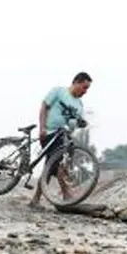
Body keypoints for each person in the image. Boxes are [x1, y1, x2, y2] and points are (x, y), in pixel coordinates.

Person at [29, 72, 91, 208]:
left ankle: (36, 199)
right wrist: (42, 128)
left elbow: (73, 123)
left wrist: (81, 123)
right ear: (76, 82)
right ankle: (66, 195)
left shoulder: (79, 104)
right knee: (56, 166)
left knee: (51, 167)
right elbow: (44, 107)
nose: (85, 92)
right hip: (50, 133)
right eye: (84, 87)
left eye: (87, 89)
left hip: (63, 136)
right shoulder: (58, 92)